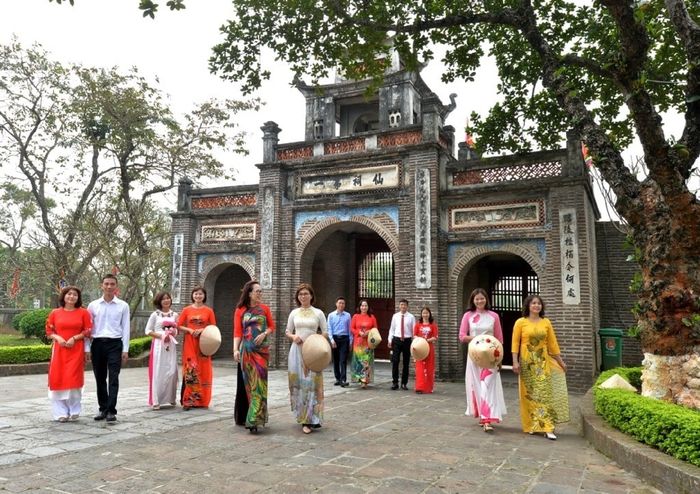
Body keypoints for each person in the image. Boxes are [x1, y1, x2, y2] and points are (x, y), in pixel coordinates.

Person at [512, 295, 569, 440]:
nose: (536, 306)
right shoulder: (520, 322)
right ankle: (532, 424)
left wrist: (561, 362)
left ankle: (547, 427)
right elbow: (515, 344)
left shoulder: (546, 322)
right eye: (533, 303)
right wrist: (515, 362)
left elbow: (553, 344)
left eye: (539, 303)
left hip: (543, 363)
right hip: (527, 362)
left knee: (544, 394)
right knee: (529, 394)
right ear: (528, 306)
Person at [459, 288, 507, 432]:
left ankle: (487, 419)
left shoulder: (494, 316)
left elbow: (499, 338)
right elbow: (462, 336)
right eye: (477, 299)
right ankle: (482, 415)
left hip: (491, 356)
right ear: (473, 301)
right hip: (474, 355)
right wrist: (478, 339)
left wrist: (499, 359)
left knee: (488, 385)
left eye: (482, 298)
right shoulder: (468, 315)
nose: (480, 301)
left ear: (486, 299)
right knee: (477, 385)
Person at [285, 283, 328, 434]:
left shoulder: (318, 313)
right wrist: (293, 336)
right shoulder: (294, 313)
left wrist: (315, 342)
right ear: (298, 297)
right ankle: (302, 416)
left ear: (311, 295)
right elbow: (288, 331)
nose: (303, 296)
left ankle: (311, 418)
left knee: (311, 384)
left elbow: (325, 332)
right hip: (296, 352)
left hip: (312, 352)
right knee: (299, 383)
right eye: (300, 294)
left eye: (306, 293)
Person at [87, 274, 130, 423]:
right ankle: (102, 408)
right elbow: (88, 328)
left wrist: (125, 349)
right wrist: (87, 348)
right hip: (97, 344)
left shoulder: (123, 305)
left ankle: (111, 410)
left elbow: (125, 328)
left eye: (112, 284)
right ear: (102, 285)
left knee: (113, 378)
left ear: (116, 287)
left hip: (115, 344)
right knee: (100, 378)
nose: (109, 287)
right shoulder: (93, 305)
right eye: (106, 284)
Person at [233, 280, 275, 433]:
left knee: (260, 384)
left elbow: (272, 326)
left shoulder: (265, 309)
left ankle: (254, 420)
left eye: (261, 291)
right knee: (249, 384)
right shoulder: (240, 310)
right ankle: (251, 417)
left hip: (262, 351)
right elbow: (237, 332)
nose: (260, 294)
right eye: (257, 291)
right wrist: (235, 350)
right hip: (246, 351)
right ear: (249, 293)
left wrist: (264, 333)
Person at [45, 286, 92, 422]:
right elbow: (49, 331)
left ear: (78, 298)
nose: (71, 297)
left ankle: (74, 409)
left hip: (76, 350)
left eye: (75, 295)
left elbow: (88, 330)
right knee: (58, 378)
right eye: (69, 294)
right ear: (64, 296)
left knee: (74, 379)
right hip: (59, 350)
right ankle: (60, 412)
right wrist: (58, 338)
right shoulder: (55, 313)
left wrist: (74, 338)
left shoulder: (83, 313)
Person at [177, 286, 217, 410]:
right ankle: (188, 401)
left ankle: (202, 401)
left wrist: (203, 329)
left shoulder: (209, 311)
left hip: (204, 343)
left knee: (204, 370)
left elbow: (213, 327)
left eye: (200, 294)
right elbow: (178, 326)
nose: (198, 296)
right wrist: (189, 329)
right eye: (196, 294)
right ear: (192, 296)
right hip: (190, 343)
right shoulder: (186, 310)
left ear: (204, 296)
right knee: (190, 369)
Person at [145, 292, 179, 410]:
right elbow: (148, 330)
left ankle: (171, 398)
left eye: (168, 298)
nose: (166, 301)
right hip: (159, 345)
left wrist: (172, 333)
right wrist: (161, 336)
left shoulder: (175, 314)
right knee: (158, 370)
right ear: (159, 301)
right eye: (163, 299)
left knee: (172, 370)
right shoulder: (155, 314)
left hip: (171, 345)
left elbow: (177, 330)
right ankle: (156, 400)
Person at [388, 299, 416, 390]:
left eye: (404, 305)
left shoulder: (411, 317)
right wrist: (389, 340)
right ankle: (395, 382)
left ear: (407, 306)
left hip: (407, 341)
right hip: (396, 340)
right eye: (401, 305)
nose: (403, 306)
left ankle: (404, 383)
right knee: (395, 361)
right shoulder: (395, 316)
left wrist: (415, 342)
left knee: (406, 362)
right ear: (399, 306)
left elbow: (414, 331)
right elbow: (392, 329)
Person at [350, 299, 378, 389]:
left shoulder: (372, 317)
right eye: (362, 306)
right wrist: (359, 332)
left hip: (368, 343)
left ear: (368, 307)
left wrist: (368, 332)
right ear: (359, 307)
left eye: (365, 306)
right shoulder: (355, 316)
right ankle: (359, 379)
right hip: (358, 342)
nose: (364, 307)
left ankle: (364, 381)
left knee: (366, 362)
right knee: (358, 362)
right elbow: (352, 328)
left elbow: (375, 329)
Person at [327, 296, 352, 388]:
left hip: (345, 339)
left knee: (343, 360)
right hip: (335, 339)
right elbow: (329, 328)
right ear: (336, 304)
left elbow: (350, 329)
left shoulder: (348, 315)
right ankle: (338, 378)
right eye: (340, 303)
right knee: (336, 360)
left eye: (343, 303)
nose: (341, 304)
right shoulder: (331, 315)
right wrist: (331, 340)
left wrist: (350, 341)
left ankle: (343, 379)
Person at [414, 306, 439, 394]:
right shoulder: (417, 324)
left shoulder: (433, 325)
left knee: (429, 367)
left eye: (427, 313)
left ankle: (428, 387)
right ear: (421, 314)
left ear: (429, 314)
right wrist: (421, 340)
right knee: (419, 367)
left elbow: (435, 337)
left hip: (429, 348)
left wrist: (427, 340)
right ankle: (419, 387)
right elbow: (415, 335)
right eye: (423, 313)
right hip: (419, 348)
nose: (425, 315)